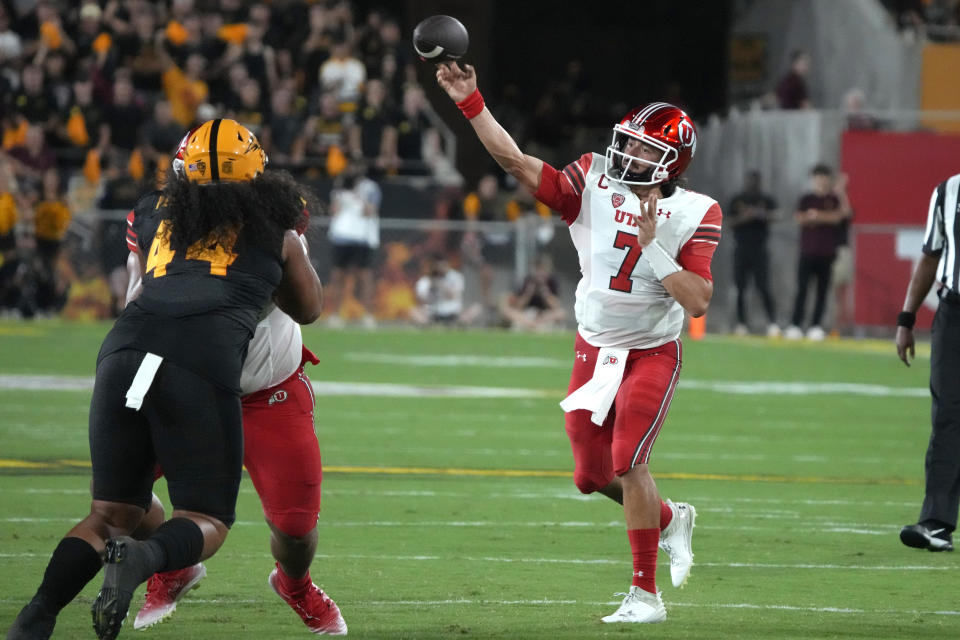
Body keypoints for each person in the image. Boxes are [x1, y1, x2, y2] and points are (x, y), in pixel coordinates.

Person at [5, 119, 324, 640]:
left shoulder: (151, 214)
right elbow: (309, 309)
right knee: (208, 518)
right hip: (200, 361)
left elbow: (134, 295)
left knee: (108, 513)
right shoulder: (277, 226)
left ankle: (36, 615)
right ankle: (146, 560)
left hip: (124, 350)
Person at [434, 64, 721, 624]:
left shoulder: (695, 211)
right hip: (594, 349)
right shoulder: (592, 178)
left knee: (629, 458)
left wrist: (654, 248)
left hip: (650, 351)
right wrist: (471, 103)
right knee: (591, 476)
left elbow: (699, 301)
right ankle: (669, 518)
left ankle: (645, 595)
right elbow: (515, 161)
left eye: (642, 149)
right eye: (629, 143)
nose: (628, 155)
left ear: (670, 163)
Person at [122, 132, 347, 635]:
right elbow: (134, 297)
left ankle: (293, 583)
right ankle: (176, 564)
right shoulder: (155, 220)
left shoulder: (275, 228)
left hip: (266, 389)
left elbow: (308, 308)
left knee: (294, 526)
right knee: (122, 492)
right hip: (184, 381)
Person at [895, 172, 960, 553]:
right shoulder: (948, 190)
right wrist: (907, 317)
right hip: (953, 312)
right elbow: (931, 254)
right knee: (948, 414)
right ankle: (936, 523)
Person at [784, 165, 851, 341]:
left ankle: (815, 325)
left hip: (827, 252)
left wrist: (817, 216)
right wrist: (820, 217)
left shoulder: (833, 199)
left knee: (822, 292)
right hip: (807, 251)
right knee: (802, 289)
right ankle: (795, 325)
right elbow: (799, 218)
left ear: (828, 179)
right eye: (818, 177)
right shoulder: (806, 199)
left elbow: (841, 217)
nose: (821, 180)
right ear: (813, 179)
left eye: (824, 177)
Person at [325, 162, 381, 328]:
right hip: (342, 236)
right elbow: (333, 211)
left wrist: (358, 196)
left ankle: (367, 315)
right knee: (338, 276)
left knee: (364, 276)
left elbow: (369, 211)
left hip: (362, 237)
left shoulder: (371, 188)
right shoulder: (339, 187)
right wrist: (341, 196)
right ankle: (336, 315)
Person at [728, 170, 779, 336]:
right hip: (741, 248)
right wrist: (746, 217)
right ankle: (742, 324)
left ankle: (772, 323)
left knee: (763, 286)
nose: (752, 184)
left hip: (760, 249)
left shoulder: (765, 200)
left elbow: (777, 215)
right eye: (750, 181)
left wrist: (759, 214)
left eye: (755, 181)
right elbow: (728, 222)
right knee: (740, 287)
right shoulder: (737, 200)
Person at [409, 252, 481, 326]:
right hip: (434, 312)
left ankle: (458, 323)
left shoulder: (456, 277)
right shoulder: (427, 279)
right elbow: (422, 299)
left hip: (453, 311)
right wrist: (431, 291)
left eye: (443, 265)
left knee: (476, 308)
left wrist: (440, 284)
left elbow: (452, 296)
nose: (441, 268)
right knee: (413, 311)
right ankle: (429, 324)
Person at [499, 253, 565, 331]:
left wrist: (546, 293)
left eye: (542, 269)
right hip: (526, 315)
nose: (540, 273)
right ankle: (532, 325)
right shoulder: (527, 280)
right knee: (507, 310)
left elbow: (556, 306)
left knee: (561, 313)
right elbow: (518, 307)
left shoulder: (552, 282)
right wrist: (528, 294)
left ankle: (534, 325)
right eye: (538, 269)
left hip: (544, 315)